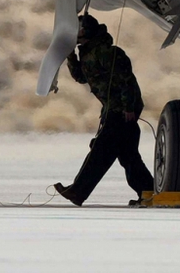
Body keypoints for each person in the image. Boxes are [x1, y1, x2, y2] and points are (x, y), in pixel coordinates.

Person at [53, 14, 154, 206]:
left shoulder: (108, 53)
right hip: (113, 108)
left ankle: (78, 191)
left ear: (86, 31)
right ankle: (148, 192)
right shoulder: (89, 53)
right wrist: (71, 56)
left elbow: (126, 80)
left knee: (100, 151)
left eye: (79, 29)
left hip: (121, 110)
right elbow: (82, 77)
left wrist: (128, 107)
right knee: (128, 156)